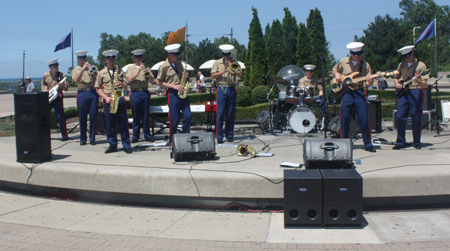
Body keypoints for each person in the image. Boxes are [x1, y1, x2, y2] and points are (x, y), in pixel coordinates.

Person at [332, 42, 376, 152]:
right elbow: (334, 69)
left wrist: (370, 81)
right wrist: (337, 75)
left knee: (363, 118)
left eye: (359, 53)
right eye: (355, 54)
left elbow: (369, 83)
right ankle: (344, 142)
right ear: (350, 53)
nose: (358, 56)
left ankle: (367, 143)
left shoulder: (365, 64)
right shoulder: (343, 61)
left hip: (359, 91)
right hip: (347, 92)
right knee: (345, 117)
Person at [95, 50, 132, 154]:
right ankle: (112, 145)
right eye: (110, 59)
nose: (112, 61)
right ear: (106, 60)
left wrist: (122, 85)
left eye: (113, 59)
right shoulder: (101, 73)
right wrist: (105, 98)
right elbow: (97, 88)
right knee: (110, 124)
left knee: (123, 123)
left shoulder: (120, 71)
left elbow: (126, 87)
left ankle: (126, 145)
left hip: (119, 98)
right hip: (108, 98)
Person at [393, 45, 429, 150]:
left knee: (416, 117)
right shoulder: (401, 65)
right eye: (405, 56)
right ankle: (400, 141)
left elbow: (425, 84)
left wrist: (418, 81)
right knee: (400, 116)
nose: (407, 58)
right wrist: (397, 84)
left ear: (412, 53)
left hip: (416, 90)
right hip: (404, 92)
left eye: (408, 56)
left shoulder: (421, 65)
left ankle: (416, 141)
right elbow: (396, 78)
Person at [156, 44, 191, 142]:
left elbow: (182, 75)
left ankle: (185, 137)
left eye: (177, 55)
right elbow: (158, 82)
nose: (177, 56)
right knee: (174, 119)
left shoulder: (180, 64)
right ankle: (173, 140)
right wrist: (173, 86)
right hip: (172, 92)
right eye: (175, 55)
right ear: (169, 55)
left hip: (182, 92)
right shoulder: (163, 67)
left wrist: (186, 76)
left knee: (188, 116)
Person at [211, 44, 243, 143]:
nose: (226, 57)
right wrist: (223, 71)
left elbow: (240, 75)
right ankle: (219, 136)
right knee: (220, 113)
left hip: (232, 88)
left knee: (230, 113)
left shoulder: (235, 63)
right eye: (225, 55)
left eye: (228, 55)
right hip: (221, 87)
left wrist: (232, 67)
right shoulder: (217, 62)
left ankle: (230, 134)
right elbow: (212, 76)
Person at [126, 49, 154, 143]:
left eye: (140, 57)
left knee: (146, 116)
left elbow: (151, 81)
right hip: (135, 92)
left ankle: (147, 135)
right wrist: (138, 71)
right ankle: (135, 136)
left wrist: (147, 72)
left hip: (145, 92)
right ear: (134, 58)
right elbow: (129, 80)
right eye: (137, 57)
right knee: (136, 115)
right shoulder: (130, 68)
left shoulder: (146, 68)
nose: (139, 59)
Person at [72, 50, 99, 146]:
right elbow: (76, 80)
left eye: (84, 58)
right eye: (81, 58)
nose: (83, 60)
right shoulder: (76, 69)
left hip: (92, 92)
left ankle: (92, 138)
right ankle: (83, 138)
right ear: (78, 59)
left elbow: (98, 77)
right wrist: (83, 70)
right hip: (82, 92)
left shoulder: (92, 67)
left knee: (93, 116)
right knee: (82, 116)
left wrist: (92, 69)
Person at [43, 58, 69, 141]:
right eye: (54, 66)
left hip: (58, 96)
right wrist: (46, 90)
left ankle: (64, 135)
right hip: (49, 97)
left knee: (60, 116)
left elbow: (66, 89)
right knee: (45, 115)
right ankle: (45, 133)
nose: (57, 67)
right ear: (50, 67)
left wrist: (61, 85)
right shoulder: (46, 75)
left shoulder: (62, 75)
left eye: (57, 66)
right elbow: (44, 83)